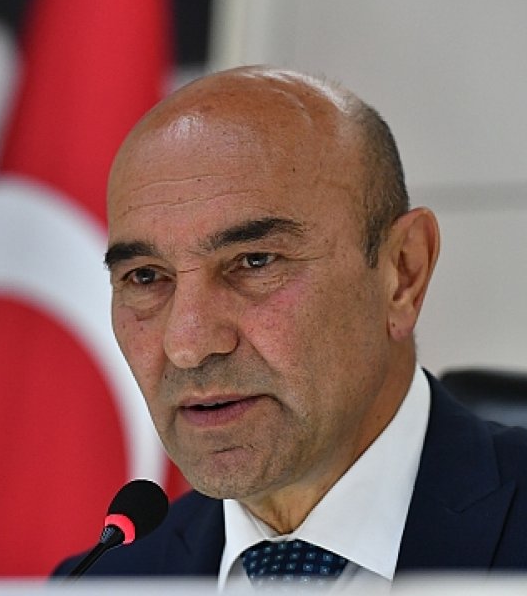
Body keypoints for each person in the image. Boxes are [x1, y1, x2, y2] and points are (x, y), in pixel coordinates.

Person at [55, 66, 527, 589]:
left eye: (255, 261)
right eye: (145, 277)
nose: (187, 345)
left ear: (403, 273)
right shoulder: (101, 583)